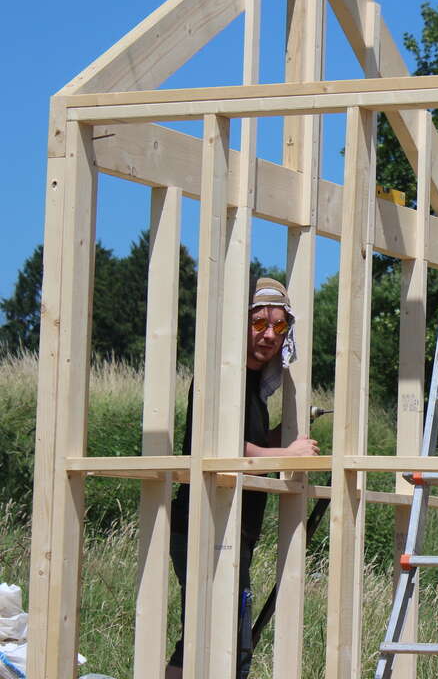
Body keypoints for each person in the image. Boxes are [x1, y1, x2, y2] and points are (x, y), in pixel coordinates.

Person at [165, 277, 320, 679]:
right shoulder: (219, 378)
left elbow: (248, 442)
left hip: (233, 528)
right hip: (205, 524)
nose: (269, 334)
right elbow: (225, 450)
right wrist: (286, 453)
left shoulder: (252, 385)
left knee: (207, 636)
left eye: (279, 326)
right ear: (241, 324)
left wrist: (285, 437)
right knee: (224, 642)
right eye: (259, 323)